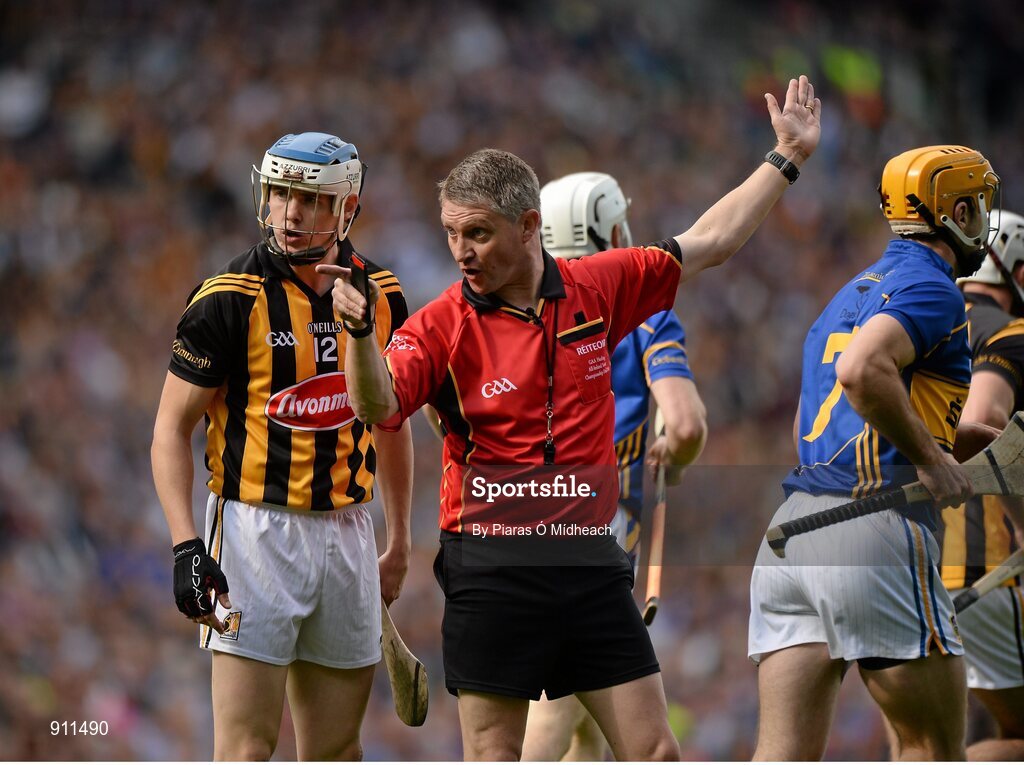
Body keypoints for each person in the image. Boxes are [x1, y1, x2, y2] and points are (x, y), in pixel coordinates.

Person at [321, 75, 820, 761]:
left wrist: (786, 158)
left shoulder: (596, 287)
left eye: (478, 233)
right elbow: (378, 405)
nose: (461, 251)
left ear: (529, 226)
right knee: (499, 756)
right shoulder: (439, 326)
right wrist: (357, 339)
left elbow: (711, 240)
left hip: (589, 559)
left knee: (655, 752)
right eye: (451, 234)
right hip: (492, 565)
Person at [151, 132, 413, 761]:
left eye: (311, 198)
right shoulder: (227, 299)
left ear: (347, 207)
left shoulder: (383, 293)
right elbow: (168, 431)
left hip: (348, 534)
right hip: (251, 538)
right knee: (245, 749)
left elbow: (392, 421)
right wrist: (186, 544)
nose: (290, 212)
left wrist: (399, 537)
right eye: (279, 193)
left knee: (336, 750)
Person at [748, 145, 1002, 761]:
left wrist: (964, 449)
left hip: (792, 531)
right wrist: (931, 459)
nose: (983, 221)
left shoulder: (849, 292)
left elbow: (813, 422)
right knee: (934, 749)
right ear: (957, 209)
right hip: (871, 525)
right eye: (979, 207)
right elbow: (863, 371)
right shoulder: (934, 288)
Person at [519, 171, 707, 762]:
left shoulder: (520, 314)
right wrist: (673, 457)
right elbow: (685, 425)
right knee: (556, 716)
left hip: (517, 521)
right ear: (605, 228)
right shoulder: (645, 312)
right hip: (596, 531)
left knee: (592, 738)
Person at [938, 209, 1024, 761]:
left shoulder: (915, 316)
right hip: (980, 561)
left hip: (899, 562)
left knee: (927, 738)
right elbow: (983, 423)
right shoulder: (1010, 331)